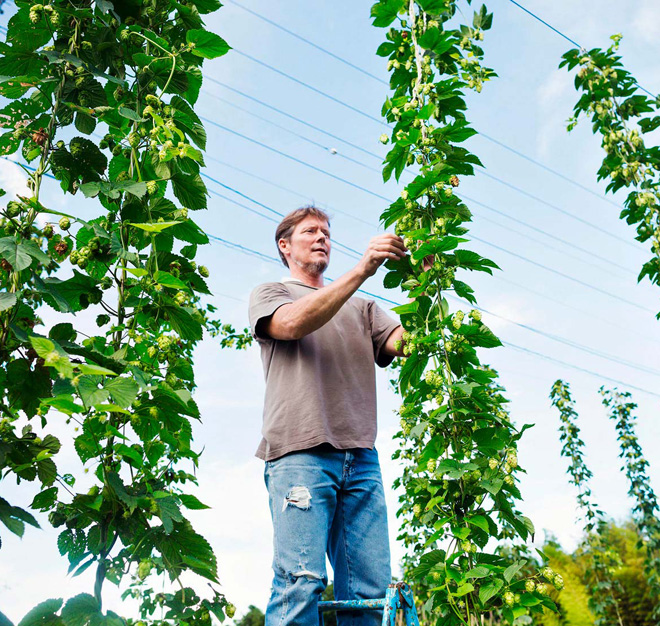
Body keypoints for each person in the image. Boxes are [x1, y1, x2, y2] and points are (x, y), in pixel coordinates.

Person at [248, 205, 407, 626]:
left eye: (327, 232)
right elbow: (295, 324)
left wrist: (425, 283)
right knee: (300, 581)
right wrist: (363, 270)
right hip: (300, 455)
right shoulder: (271, 294)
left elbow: (409, 346)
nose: (322, 238)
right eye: (310, 231)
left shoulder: (364, 308)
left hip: (361, 458)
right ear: (284, 245)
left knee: (370, 592)